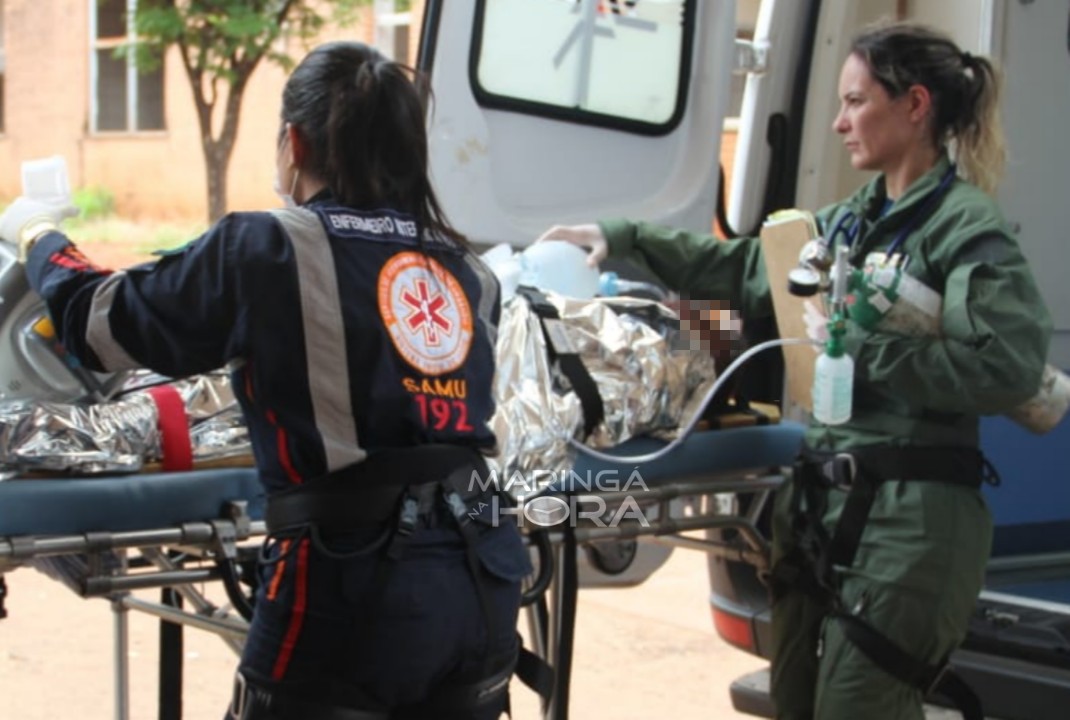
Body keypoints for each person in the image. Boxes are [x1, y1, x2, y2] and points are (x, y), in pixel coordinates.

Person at [536, 21, 1051, 720]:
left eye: (856, 102)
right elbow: (749, 269)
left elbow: (1009, 370)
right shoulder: (847, 225)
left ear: (916, 105)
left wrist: (866, 346)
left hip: (913, 524)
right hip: (823, 509)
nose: (839, 123)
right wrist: (620, 239)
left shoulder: (964, 231)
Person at [0, 42, 531, 720]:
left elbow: (98, 326)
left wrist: (39, 236)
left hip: (354, 586)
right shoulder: (469, 273)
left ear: (294, 141)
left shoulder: (268, 248)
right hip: (482, 578)